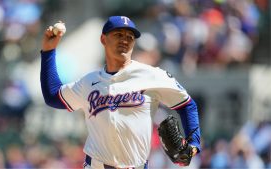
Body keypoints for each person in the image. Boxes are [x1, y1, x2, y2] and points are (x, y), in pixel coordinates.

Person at [40, 16, 201, 169]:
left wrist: (194, 143)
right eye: (118, 34)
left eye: (130, 37)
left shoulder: (152, 75)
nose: (124, 40)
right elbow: (53, 96)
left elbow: (187, 105)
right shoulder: (88, 82)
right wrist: (48, 51)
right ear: (103, 39)